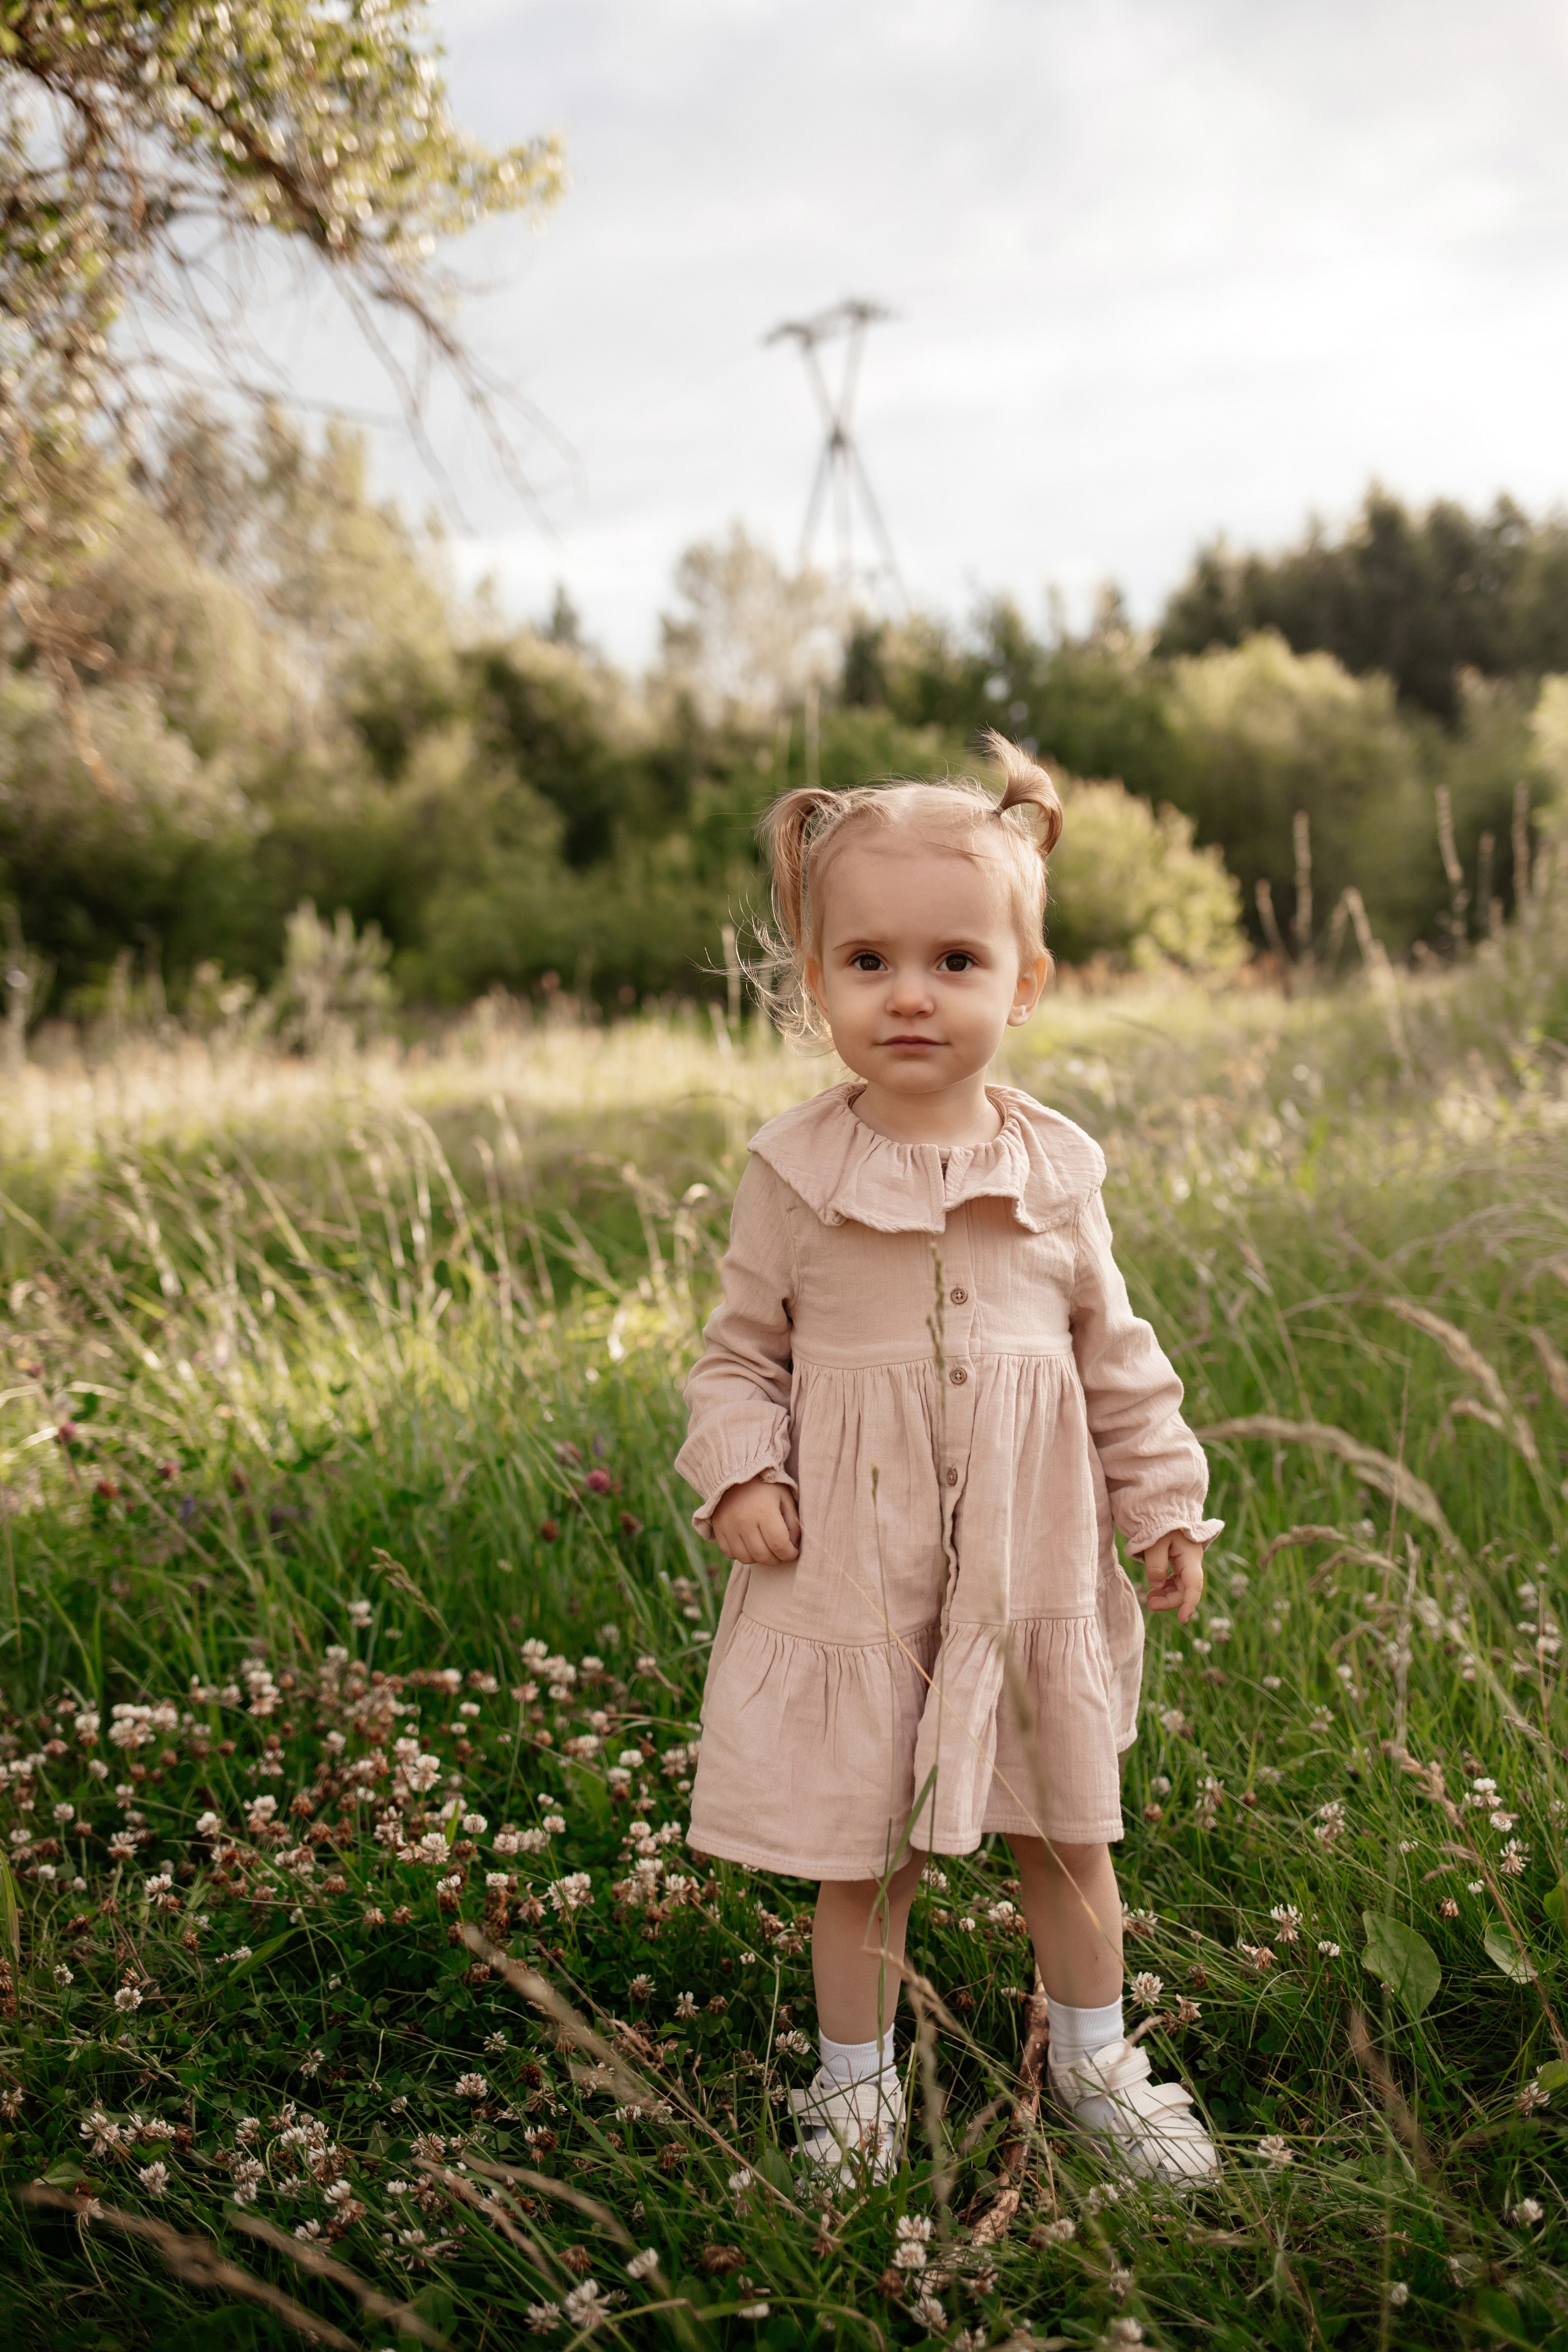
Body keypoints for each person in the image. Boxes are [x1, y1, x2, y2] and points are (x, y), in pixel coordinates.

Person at [674, 733, 1220, 2185]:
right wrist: (738, 1468)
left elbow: (1114, 1349)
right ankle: (851, 2089)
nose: (908, 993)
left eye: (953, 962)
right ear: (816, 986)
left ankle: (1095, 2059)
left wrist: (1161, 1499)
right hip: (850, 1568)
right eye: (865, 961)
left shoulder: (1057, 1170)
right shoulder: (792, 1172)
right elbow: (736, 1352)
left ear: (1020, 984)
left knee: (1063, 1827)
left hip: (1026, 1560)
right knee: (862, 1848)